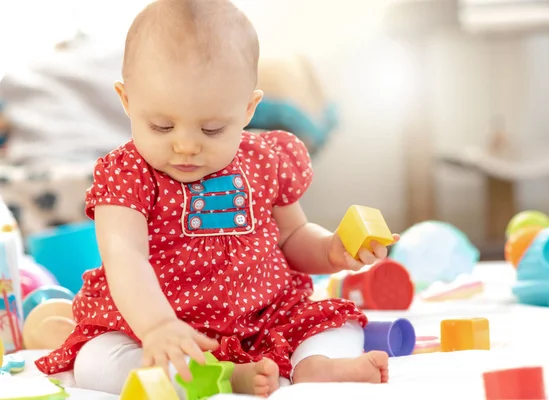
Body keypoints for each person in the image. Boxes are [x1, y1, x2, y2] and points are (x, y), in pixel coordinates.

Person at [36, 0, 398, 396]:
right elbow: (125, 256)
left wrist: (332, 250)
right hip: (157, 327)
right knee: (95, 361)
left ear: (247, 109)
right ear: (127, 101)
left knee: (335, 322)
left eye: (211, 129)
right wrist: (158, 327)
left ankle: (316, 364)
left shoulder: (265, 159)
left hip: (262, 315)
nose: (186, 145)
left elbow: (292, 237)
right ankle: (218, 377)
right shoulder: (128, 175)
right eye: (162, 125)